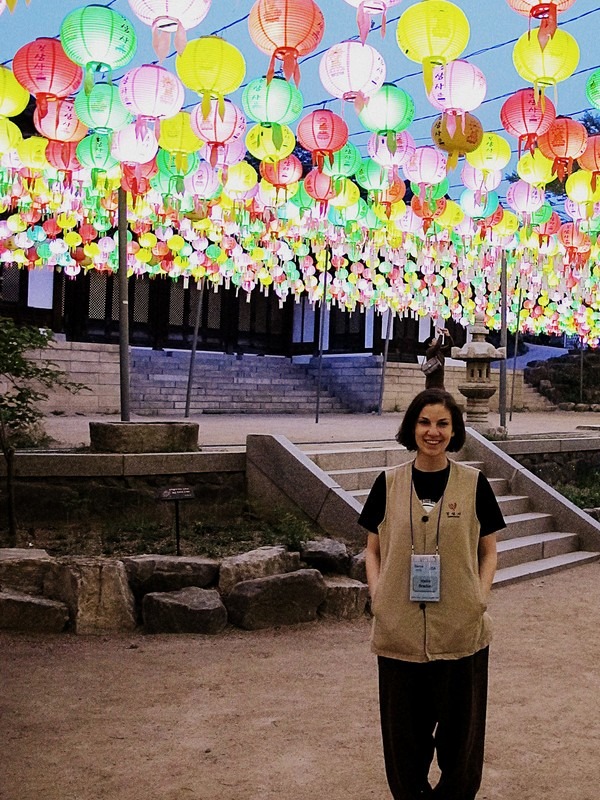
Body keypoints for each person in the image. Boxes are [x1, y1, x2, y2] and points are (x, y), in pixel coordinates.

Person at [358, 388, 505, 800]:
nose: (433, 432)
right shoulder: (387, 484)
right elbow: (372, 548)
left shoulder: (474, 484)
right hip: (399, 634)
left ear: (454, 429)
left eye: (442, 423)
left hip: (462, 632)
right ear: (412, 427)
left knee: (463, 743)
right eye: (425, 422)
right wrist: (378, 596)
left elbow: (489, 550)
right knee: (404, 744)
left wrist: (479, 598)